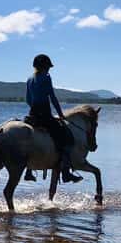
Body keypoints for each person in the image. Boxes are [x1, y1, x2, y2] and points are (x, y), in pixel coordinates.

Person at [26, 54, 82, 183]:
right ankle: (66, 173)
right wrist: (60, 114)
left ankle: (28, 171)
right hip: (44, 115)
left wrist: (35, 109)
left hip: (32, 114)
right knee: (66, 137)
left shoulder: (29, 79)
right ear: (44, 67)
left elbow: (28, 99)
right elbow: (52, 97)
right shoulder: (46, 77)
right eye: (48, 67)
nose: (49, 69)